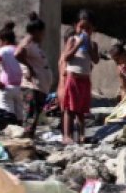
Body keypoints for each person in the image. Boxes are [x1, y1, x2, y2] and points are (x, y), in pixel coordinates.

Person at [59, 9, 99, 144]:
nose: (84, 31)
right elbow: (67, 57)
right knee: (69, 108)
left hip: (85, 79)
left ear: (93, 28)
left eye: (88, 28)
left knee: (81, 109)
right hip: (73, 77)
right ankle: (67, 135)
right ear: (76, 26)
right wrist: (78, 45)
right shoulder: (72, 39)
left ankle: (82, 134)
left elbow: (96, 60)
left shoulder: (93, 44)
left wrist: (89, 47)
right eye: (82, 27)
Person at [15, 12, 52, 138]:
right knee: (30, 113)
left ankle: (29, 138)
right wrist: (29, 67)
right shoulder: (28, 41)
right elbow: (17, 54)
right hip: (31, 85)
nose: (43, 35)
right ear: (37, 31)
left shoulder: (34, 44)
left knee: (35, 114)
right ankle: (26, 139)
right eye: (42, 32)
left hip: (39, 86)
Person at [0, 22, 25, 124]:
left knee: (6, 115)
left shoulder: (2, 50)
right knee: (20, 116)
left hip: (5, 86)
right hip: (20, 87)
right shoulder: (19, 50)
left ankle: (9, 135)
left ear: (4, 41)